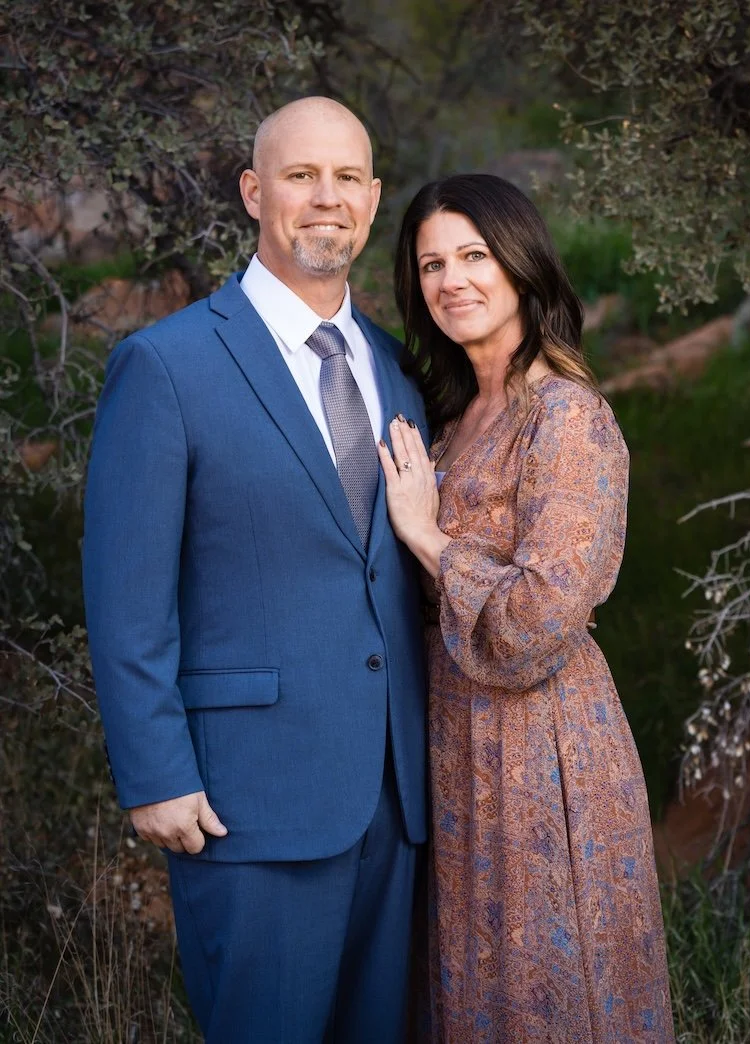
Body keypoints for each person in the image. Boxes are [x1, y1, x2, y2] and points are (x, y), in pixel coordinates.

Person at [82, 97, 429, 1044]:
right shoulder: (167, 366)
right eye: (300, 176)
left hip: (399, 809)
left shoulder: (400, 371)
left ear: (373, 198)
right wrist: (155, 773)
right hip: (248, 807)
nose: (327, 199)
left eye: (348, 178)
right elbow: (126, 596)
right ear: (252, 192)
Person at [378, 173, 674, 1042]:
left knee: (544, 979)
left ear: (521, 263)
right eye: (432, 264)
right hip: (454, 736)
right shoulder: (457, 415)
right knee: (471, 980)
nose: (452, 281)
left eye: (474, 255)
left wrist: (429, 541)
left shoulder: (566, 414)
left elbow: (542, 615)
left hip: (542, 742)